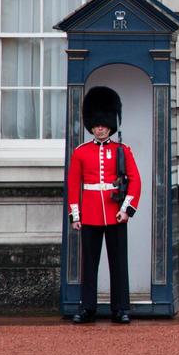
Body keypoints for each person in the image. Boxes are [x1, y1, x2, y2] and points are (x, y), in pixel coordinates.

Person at [66, 86, 142, 324]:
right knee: (89, 264)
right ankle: (87, 307)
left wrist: (126, 210)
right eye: (96, 124)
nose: (100, 128)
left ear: (110, 124)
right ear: (92, 125)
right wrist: (75, 215)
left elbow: (136, 181)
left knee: (118, 263)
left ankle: (120, 308)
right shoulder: (81, 152)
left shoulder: (122, 150)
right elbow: (73, 185)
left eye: (103, 124)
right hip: (89, 214)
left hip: (115, 213)